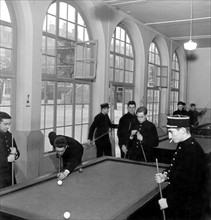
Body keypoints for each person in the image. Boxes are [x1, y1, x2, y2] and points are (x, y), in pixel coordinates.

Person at [155, 115, 207, 220]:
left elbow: (190, 187)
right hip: (182, 205)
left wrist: (168, 202)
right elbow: (178, 169)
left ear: (183, 130)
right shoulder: (184, 144)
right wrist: (165, 175)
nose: (169, 136)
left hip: (188, 209)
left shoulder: (191, 151)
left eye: (171, 132)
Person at [0, 112, 20, 189]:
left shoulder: (9, 135)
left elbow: (17, 151)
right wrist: (7, 159)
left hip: (10, 174)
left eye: (9, 124)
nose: (8, 126)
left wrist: (15, 154)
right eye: (5, 124)